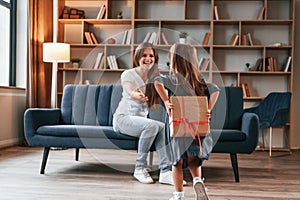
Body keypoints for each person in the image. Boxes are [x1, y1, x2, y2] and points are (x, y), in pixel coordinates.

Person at [154, 43, 220, 200]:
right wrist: (208, 109)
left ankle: (178, 196)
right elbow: (216, 89)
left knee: (177, 163)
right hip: (197, 129)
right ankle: (197, 180)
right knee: (194, 161)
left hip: (178, 128)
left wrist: (166, 101)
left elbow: (156, 81)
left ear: (174, 60)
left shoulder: (173, 80)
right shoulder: (199, 81)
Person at [113, 42, 182, 185]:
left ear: (155, 59)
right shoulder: (128, 74)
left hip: (140, 122)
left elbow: (165, 91)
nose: (148, 58)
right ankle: (139, 168)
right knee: (152, 126)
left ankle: (165, 171)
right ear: (138, 57)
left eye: (151, 55)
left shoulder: (155, 77)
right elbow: (129, 89)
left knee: (162, 127)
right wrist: (135, 94)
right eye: (144, 55)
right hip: (123, 119)